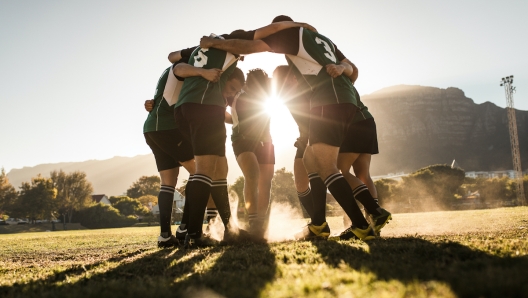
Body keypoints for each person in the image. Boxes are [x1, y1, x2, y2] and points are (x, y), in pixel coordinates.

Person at [200, 15, 391, 241]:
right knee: (311, 159)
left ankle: (364, 221)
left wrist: (215, 44)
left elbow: (249, 44)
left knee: (326, 166)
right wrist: (340, 73)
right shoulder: (323, 41)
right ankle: (320, 223)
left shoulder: (292, 35)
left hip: (327, 101)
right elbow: (354, 71)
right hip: (348, 100)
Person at [173, 21, 319, 249]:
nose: (242, 55)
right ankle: (198, 232)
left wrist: (200, 64)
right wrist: (297, 25)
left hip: (188, 111)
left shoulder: (203, 50)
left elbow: (174, 60)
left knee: (224, 174)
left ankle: (236, 227)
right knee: (219, 173)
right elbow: (268, 32)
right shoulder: (229, 46)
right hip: (215, 116)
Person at [143, 54, 222, 248]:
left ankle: (164, 237)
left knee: (168, 183)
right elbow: (178, 68)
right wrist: (204, 72)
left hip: (153, 128)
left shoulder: (170, 73)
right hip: (167, 128)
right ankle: (185, 228)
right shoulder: (184, 67)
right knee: (199, 173)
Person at [333, 88, 392, 240]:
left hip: (352, 124)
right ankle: (373, 224)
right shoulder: (345, 80)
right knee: (363, 174)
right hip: (367, 121)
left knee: (339, 172)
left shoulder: (331, 79)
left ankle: (374, 213)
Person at [229, 69, 275, 240]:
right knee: (252, 175)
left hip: (266, 141)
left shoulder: (267, 95)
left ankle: (261, 222)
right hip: (242, 139)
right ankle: (254, 222)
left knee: (266, 181)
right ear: (247, 84)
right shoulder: (236, 94)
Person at [272, 65, 316, 222]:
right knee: (300, 183)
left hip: (321, 137)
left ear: (294, 77)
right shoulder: (284, 94)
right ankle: (317, 221)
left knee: (326, 178)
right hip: (304, 139)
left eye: (280, 79)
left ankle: (351, 216)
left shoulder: (309, 88)